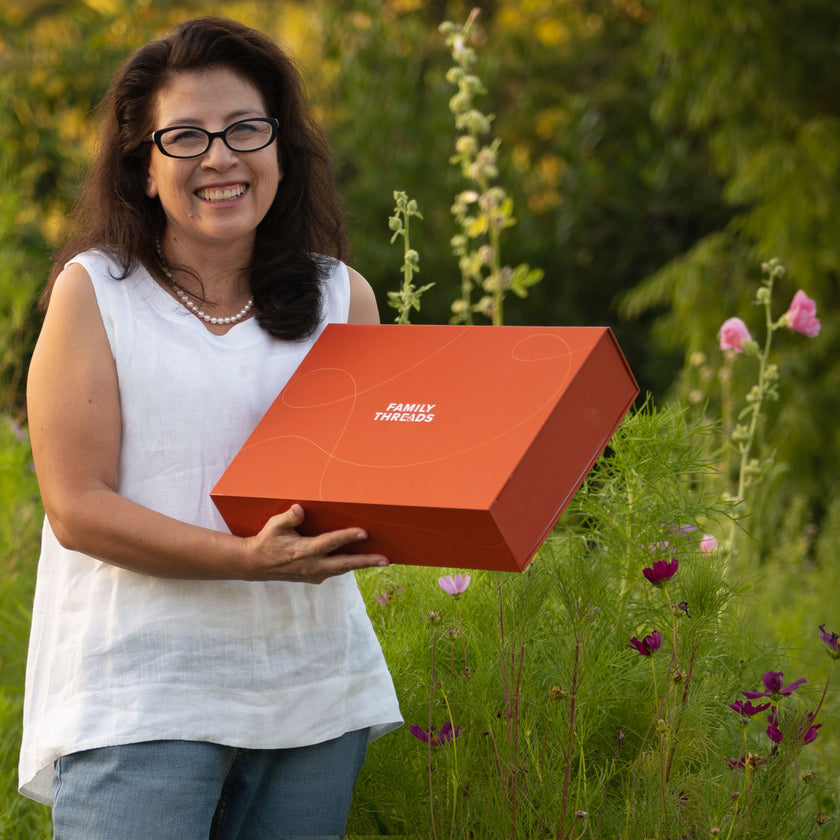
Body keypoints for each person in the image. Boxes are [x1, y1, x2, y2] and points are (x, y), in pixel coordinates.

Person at [19, 16, 402, 839]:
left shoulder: (346, 298)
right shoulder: (96, 294)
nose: (220, 157)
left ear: (281, 149)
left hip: (314, 702)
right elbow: (77, 507)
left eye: (244, 129)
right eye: (185, 136)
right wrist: (249, 561)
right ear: (143, 167)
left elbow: (375, 480)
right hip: (144, 699)